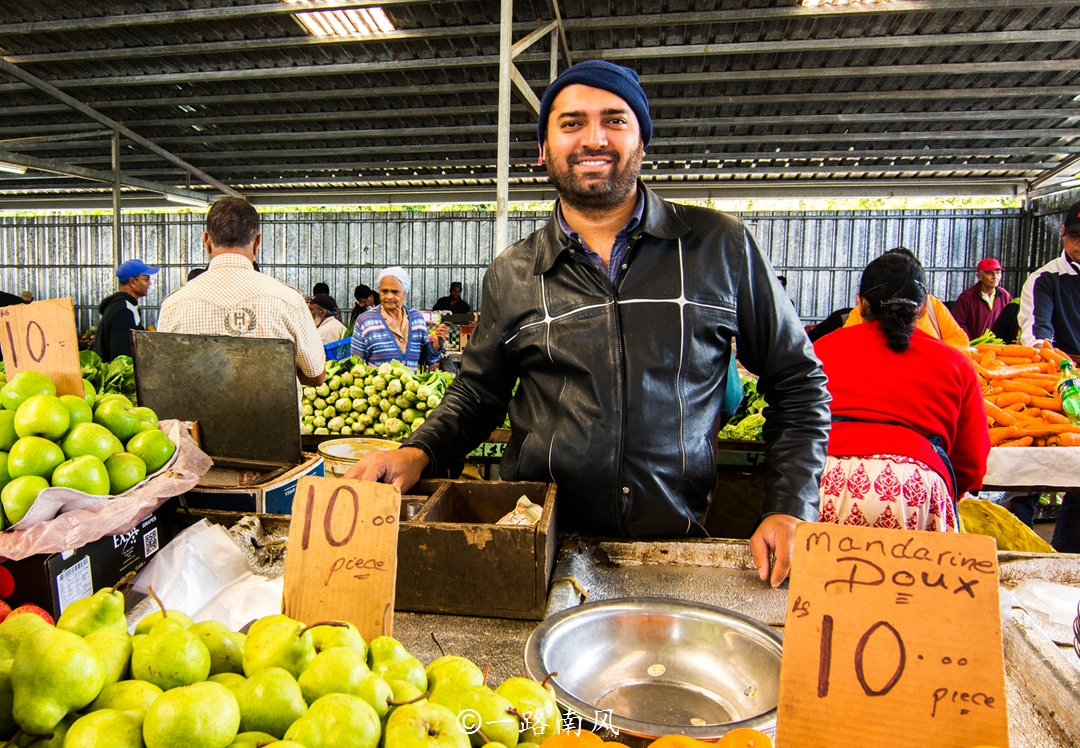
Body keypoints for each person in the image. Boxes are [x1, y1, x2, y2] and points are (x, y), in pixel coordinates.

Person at [345, 60, 830, 587]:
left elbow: (798, 382)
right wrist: (419, 450)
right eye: (572, 123)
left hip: (670, 547)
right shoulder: (514, 271)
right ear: (544, 150)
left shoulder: (720, 247)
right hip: (538, 544)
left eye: (615, 120)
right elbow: (478, 392)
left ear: (642, 141)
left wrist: (790, 505)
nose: (594, 138)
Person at [814, 251, 989, 532]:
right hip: (918, 484)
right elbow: (971, 460)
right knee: (918, 576)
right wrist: (945, 489)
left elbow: (791, 425)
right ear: (922, 309)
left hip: (826, 481)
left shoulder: (820, 351)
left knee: (826, 574)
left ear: (860, 303)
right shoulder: (956, 363)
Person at [157, 198, 325, 386]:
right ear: (257, 243)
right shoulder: (288, 300)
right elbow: (316, 375)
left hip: (195, 417)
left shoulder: (173, 304)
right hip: (270, 415)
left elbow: (164, 378)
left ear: (206, 241)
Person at [1018, 201, 1080, 552]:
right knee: (1035, 468)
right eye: (1075, 236)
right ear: (1063, 235)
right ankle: (1024, 546)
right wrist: (1064, 369)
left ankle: (1067, 554)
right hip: (1055, 380)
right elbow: (1038, 336)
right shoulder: (1047, 278)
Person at [842, 247, 969, 351]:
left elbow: (959, 339)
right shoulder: (863, 309)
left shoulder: (933, 305)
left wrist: (935, 357)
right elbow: (847, 344)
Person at [351, 266, 449, 370]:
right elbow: (357, 364)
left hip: (410, 385)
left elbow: (425, 358)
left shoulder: (417, 319)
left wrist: (438, 342)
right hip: (377, 386)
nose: (389, 296)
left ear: (405, 292)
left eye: (395, 292)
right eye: (384, 291)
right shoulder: (365, 321)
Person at [1019, 200, 1080, 357]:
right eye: (1075, 235)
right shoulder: (1044, 279)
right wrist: (1042, 351)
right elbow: (1037, 328)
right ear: (1063, 232)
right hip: (1067, 371)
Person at [91, 258, 159, 362]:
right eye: (145, 279)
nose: (149, 283)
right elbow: (121, 356)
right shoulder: (123, 310)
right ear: (133, 282)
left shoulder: (127, 306)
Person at [951, 258, 1013, 338]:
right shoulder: (967, 297)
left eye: (998, 273)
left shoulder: (1005, 295)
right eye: (990, 273)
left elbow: (1011, 320)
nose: (995, 277)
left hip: (1000, 346)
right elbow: (958, 324)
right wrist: (971, 342)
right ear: (980, 276)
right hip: (975, 347)